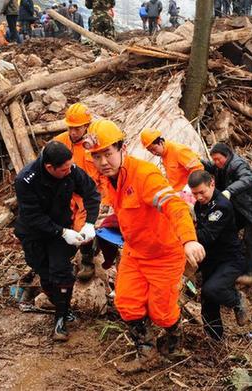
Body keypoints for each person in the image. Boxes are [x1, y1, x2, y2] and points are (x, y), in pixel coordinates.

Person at [85, 119, 205, 373]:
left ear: (122, 149)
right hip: (134, 252)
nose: (103, 161)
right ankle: (147, 351)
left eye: (108, 153)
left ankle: (174, 339)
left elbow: (174, 205)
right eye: (97, 156)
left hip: (164, 254)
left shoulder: (145, 176)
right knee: (126, 303)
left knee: (162, 313)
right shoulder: (107, 178)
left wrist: (189, 239)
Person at [14, 141, 101, 342]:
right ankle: (63, 306)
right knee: (44, 272)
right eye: (63, 169)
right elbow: (32, 216)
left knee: (61, 272)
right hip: (34, 232)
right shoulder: (26, 180)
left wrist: (89, 223)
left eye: (70, 167)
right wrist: (61, 232)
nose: (68, 171)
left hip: (62, 228)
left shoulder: (71, 171)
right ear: (49, 168)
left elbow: (91, 193)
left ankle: (60, 320)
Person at [203, 143, 252, 286]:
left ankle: (249, 274)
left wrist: (229, 191)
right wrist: (199, 163)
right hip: (241, 208)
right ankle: (225, 259)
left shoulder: (238, 164)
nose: (216, 163)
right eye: (214, 160)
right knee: (227, 228)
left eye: (218, 159)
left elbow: (246, 179)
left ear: (227, 155)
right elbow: (212, 167)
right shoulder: (221, 166)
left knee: (251, 240)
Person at [189, 170, 248, 341]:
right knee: (207, 301)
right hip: (211, 259)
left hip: (230, 259)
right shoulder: (199, 205)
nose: (199, 197)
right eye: (195, 194)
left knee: (212, 289)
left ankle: (237, 300)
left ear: (212, 184)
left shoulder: (221, 206)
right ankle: (215, 339)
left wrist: (184, 235)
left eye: (202, 192)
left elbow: (206, 235)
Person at [53, 104, 104, 281]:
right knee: (62, 225)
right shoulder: (59, 142)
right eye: (70, 128)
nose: (73, 132)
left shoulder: (95, 145)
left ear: (86, 126)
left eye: (77, 128)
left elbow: (105, 171)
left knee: (82, 227)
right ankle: (63, 258)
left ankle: (87, 260)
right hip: (64, 193)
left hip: (87, 194)